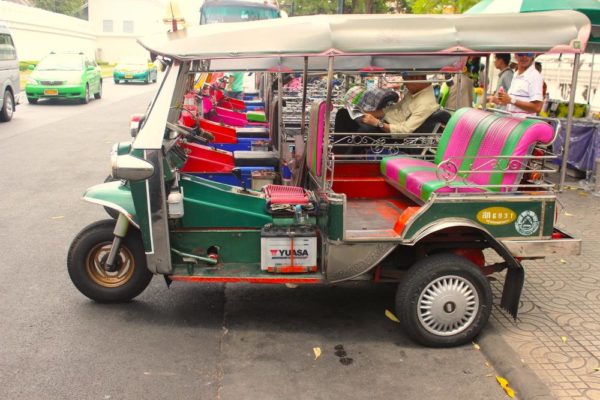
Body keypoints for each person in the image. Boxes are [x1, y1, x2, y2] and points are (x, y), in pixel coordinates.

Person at [360, 74, 439, 136]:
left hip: (391, 135)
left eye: (406, 82)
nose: (406, 86)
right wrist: (368, 113)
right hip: (384, 123)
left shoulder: (426, 104)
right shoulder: (415, 90)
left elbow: (404, 131)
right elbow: (395, 107)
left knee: (360, 131)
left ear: (416, 77)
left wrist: (377, 123)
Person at [489, 52, 543, 117]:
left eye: (529, 54)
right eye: (521, 54)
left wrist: (511, 100)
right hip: (513, 122)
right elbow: (513, 103)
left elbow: (537, 107)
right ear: (515, 55)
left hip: (524, 124)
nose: (524, 57)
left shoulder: (535, 76)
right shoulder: (515, 74)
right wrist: (499, 101)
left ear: (533, 56)